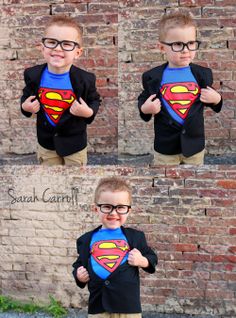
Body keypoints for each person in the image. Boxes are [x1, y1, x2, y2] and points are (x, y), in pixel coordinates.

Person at [138, 10, 223, 165]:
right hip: (166, 148)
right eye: (177, 44)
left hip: (194, 147)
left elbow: (214, 102)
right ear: (162, 48)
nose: (185, 50)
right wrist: (145, 108)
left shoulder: (202, 74)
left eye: (191, 43)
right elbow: (144, 99)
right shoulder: (153, 76)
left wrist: (217, 99)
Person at [21, 15, 101, 165]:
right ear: (42, 47)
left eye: (67, 44)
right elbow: (26, 95)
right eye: (52, 42)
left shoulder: (85, 79)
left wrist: (88, 112)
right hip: (46, 143)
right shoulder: (33, 75)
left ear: (77, 52)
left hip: (74, 144)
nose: (58, 48)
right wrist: (25, 107)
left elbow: (94, 100)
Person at [72, 177, 157, 317]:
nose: (113, 213)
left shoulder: (135, 237)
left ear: (128, 210)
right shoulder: (86, 239)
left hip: (128, 306)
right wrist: (79, 276)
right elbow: (79, 264)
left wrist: (142, 261)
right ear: (96, 209)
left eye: (120, 207)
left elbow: (152, 257)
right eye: (106, 207)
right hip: (98, 305)